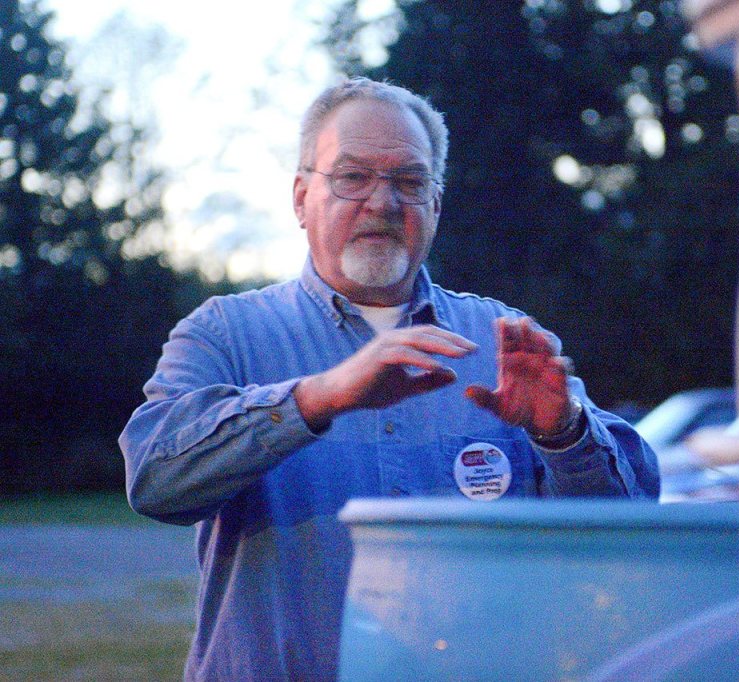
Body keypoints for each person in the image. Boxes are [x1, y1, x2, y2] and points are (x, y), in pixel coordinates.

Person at [120, 77, 659, 681]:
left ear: (436, 203)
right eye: (352, 177)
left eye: (409, 181)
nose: (382, 203)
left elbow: (623, 531)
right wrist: (319, 397)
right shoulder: (225, 333)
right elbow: (155, 480)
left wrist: (564, 434)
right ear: (300, 198)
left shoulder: (504, 340)